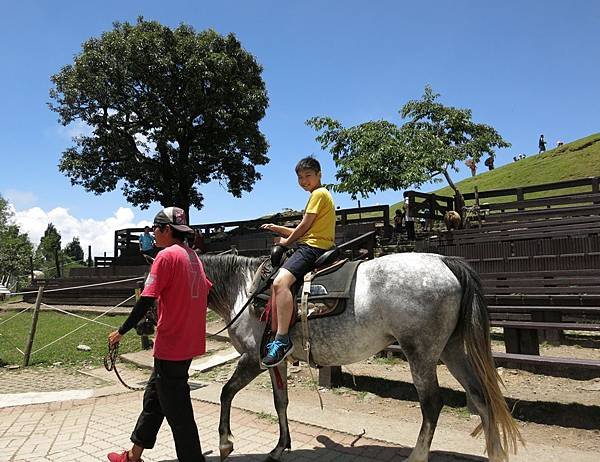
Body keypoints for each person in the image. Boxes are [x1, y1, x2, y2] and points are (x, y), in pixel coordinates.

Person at [107, 206, 212, 462]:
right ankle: (133, 456)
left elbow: (146, 299)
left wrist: (121, 331)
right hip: (188, 344)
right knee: (154, 398)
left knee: (180, 416)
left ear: (166, 230)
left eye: (156, 228)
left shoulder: (165, 257)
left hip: (171, 346)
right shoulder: (193, 257)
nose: (153, 233)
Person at [259, 156, 335, 367]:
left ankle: (282, 339)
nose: (304, 181)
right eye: (300, 177)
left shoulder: (318, 194)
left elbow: (303, 228)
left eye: (308, 176)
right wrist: (277, 228)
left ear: (319, 175)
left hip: (311, 248)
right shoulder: (321, 195)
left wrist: (284, 243)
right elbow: (303, 230)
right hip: (313, 243)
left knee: (279, 283)